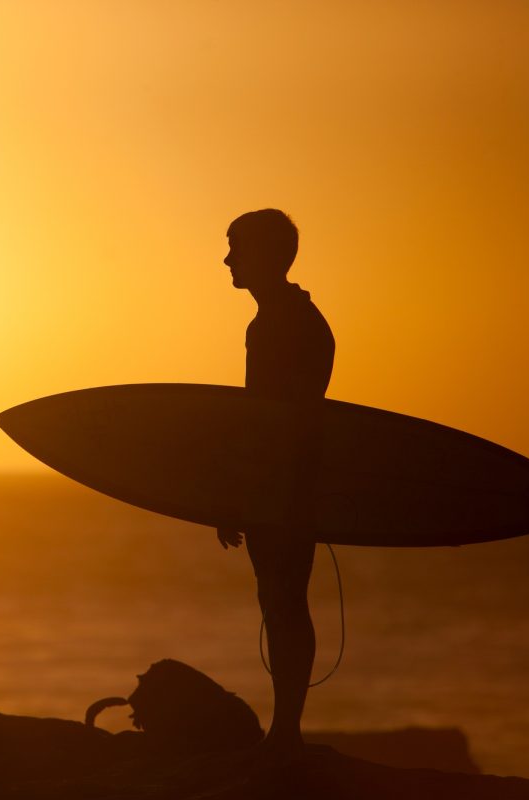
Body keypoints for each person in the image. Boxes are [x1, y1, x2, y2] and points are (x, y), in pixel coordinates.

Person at [217, 209, 334, 760]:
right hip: (293, 484)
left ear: (267, 256)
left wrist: (239, 496)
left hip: (283, 488)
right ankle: (285, 728)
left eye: (235, 248)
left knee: (284, 601)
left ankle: (285, 732)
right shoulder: (292, 318)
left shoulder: (278, 325)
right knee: (282, 600)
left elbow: (269, 422)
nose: (228, 259)